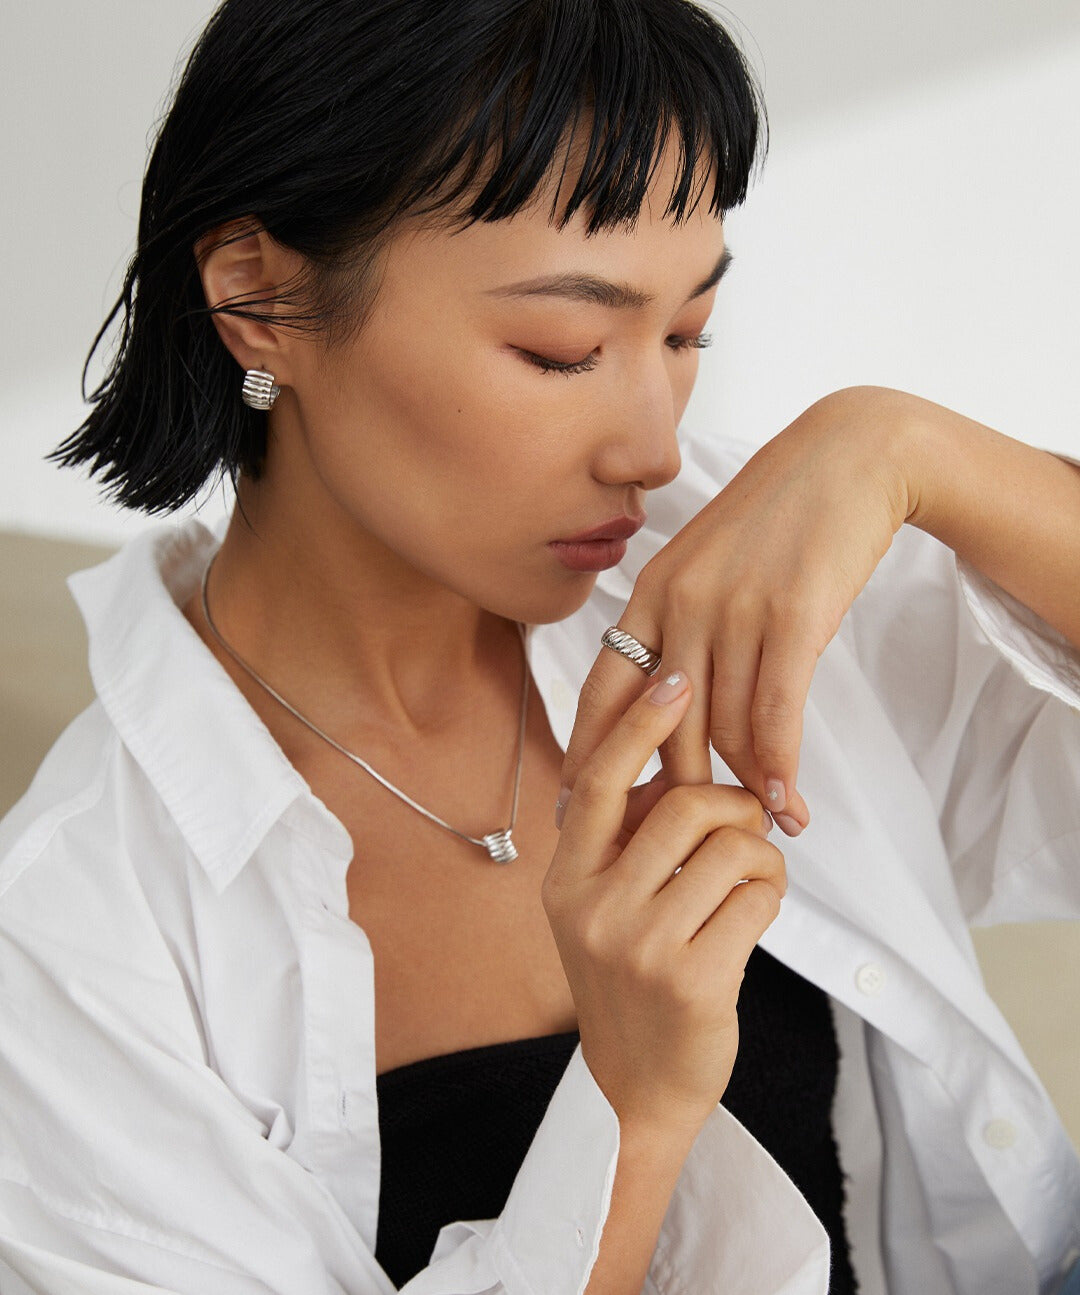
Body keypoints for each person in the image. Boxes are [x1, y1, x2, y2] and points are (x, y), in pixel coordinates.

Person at [0, 0, 1078, 1291]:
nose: (653, 446)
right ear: (260, 296)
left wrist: (907, 448)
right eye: (562, 350)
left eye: (686, 336)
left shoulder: (736, 571)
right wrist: (631, 1104)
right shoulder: (74, 942)